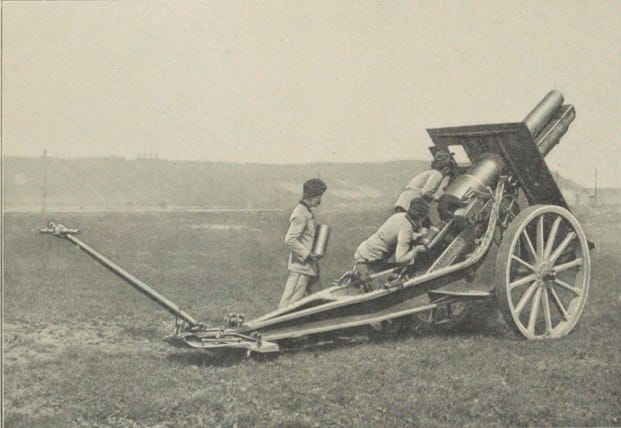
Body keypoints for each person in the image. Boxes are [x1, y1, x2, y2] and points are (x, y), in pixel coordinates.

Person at [352, 197, 430, 291]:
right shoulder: (407, 229)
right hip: (368, 262)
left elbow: (395, 233)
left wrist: (416, 236)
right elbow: (400, 259)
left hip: (363, 252)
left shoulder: (399, 216)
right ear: (420, 218)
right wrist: (416, 250)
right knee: (377, 287)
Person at [279, 178, 328, 309]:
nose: (320, 200)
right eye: (319, 197)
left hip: (309, 268)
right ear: (312, 196)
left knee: (318, 302)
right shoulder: (301, 213)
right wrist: (308, 254)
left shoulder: (306, 212)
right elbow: (290, 239)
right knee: (287, 306)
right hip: (301, 268)